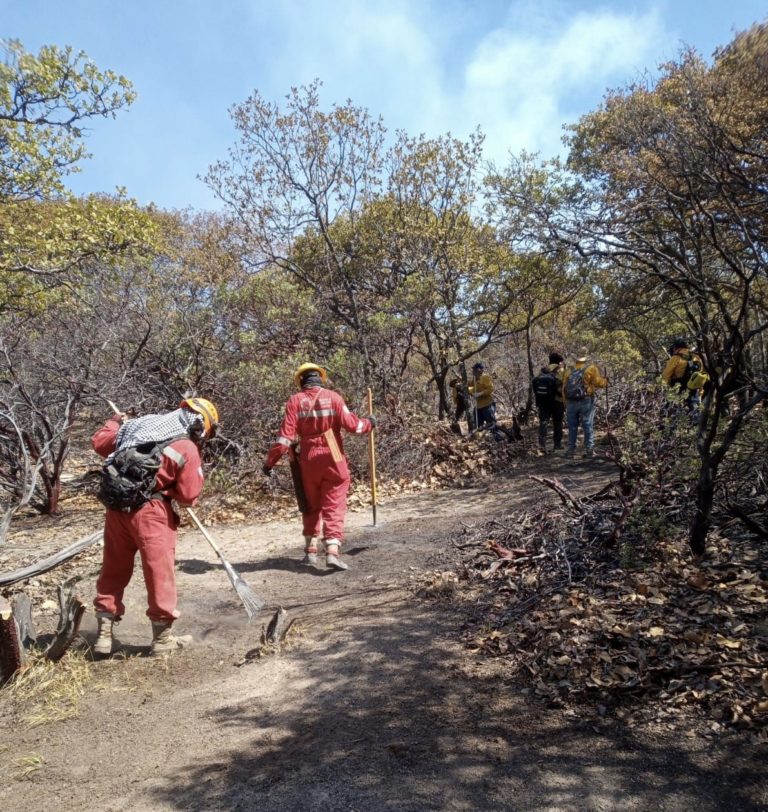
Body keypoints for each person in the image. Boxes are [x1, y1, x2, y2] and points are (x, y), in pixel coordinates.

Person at [92, 397, 219, 657]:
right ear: (199, 426)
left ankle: (103, 637)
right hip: (152, 514)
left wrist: (115, 422)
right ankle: (162, 641)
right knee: (159, 573)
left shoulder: (136, 428)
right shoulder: (185, 447)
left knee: (113, 569)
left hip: (117, 509)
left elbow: (100, 443)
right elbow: (188, 497)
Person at [262, 363, 374, 572]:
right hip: (333, 453)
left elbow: (285, 439)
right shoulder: (334, 398)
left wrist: (270, 462)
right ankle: (332, 550)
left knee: (310, 503)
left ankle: (310, 551)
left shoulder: (295, 401)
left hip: (307, 457)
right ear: (321, 379)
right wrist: (369, 423)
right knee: (335, 501)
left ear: (301, 381)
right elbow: (354, 426)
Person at [563, 347, 607, 459]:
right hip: (586, 400)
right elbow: (598, 383)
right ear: (586, 357)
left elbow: (564, 387)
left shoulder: (569, 370)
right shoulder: (591, 368)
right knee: (587, 425)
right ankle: (590, 450)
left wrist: (565, 402)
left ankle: (570, 451)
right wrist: (605, 381)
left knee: (572, 427)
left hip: (571, 402)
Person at [662, 338, 706, 418]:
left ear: (675, 348)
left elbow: (666, 375)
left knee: (671, 412)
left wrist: (665, 389)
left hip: (678, 389)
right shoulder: (697, 357)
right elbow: (700, 375)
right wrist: (700, 392)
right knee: (695, 413)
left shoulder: (676, 358)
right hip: (694, 390)